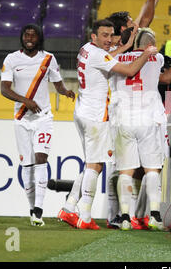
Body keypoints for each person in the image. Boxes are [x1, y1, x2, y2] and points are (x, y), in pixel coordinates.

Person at [57, 19, 158, 230]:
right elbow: (130, 70)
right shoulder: (97, 54)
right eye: (104, 35)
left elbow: (108, 56)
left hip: (82, 112)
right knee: (95, 165)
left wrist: (126, 45)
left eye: (111, 35)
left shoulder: (86, 49)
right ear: (94, 36)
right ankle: (84, 215)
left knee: (91, 163)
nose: (109, 40)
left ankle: (69, 207)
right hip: (96, 116)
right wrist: (146, 54)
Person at [0, 23, 75, 226]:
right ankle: (32, 208)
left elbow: (57, 83)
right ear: (22, 37)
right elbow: (4, 89)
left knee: (41, 158)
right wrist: (26, 101)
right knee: (27, 165)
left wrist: (65, 91)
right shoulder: (12, 59)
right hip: (22, 119)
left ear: (39, 38)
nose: (29, 38)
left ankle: (39, 210)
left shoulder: (48, 59)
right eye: (26, 34)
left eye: (33, 35)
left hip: (43, 118)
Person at [112, 28, 166, 231]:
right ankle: (154, 216)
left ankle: (125, 217)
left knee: (126, 171)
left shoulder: (117, 58)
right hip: (147, 119)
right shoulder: (157, 58)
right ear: (151, 43)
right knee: (152, 169)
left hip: (123, 119)